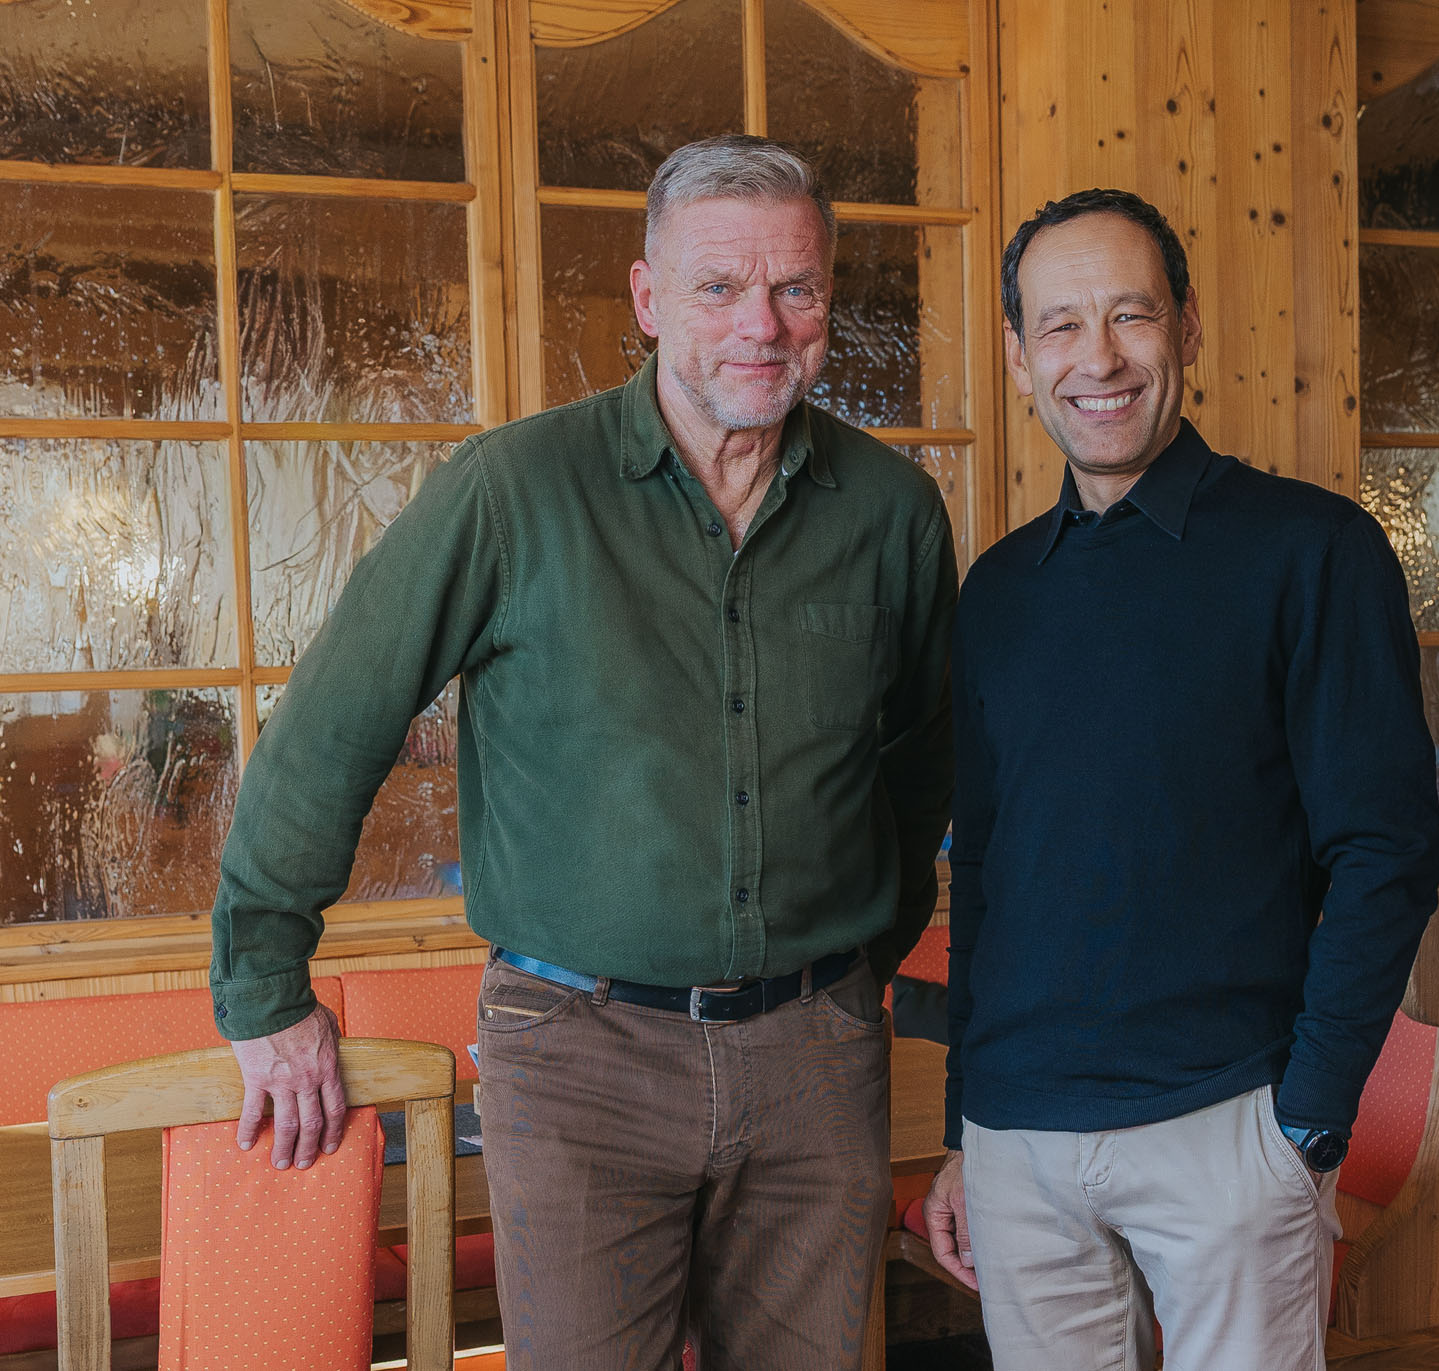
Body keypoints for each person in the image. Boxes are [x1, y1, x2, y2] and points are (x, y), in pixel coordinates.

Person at [208, 135, 956, 1370]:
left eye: (797, 288)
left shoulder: (892, 512)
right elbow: (335, 725)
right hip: (578, 1055)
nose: (760, 325)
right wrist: (264, 986)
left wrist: (855, 969)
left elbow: (921, 765)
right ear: (650, 299)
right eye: (719, 287)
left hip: (818, 1054)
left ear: (828, 299)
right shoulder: (512, 491)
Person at [921, 188, 1439, 1369]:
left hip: (1228, 1130)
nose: (1095, 359)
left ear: (1189, 329)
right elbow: (990, 873)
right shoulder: (999, 594)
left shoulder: (1312, 550)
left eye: (1130, 316)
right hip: (1019, 1145)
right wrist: (966, 1126)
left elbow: (1387, 849)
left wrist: (1305, 1121)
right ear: (1016, 358)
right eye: (1058, 327)